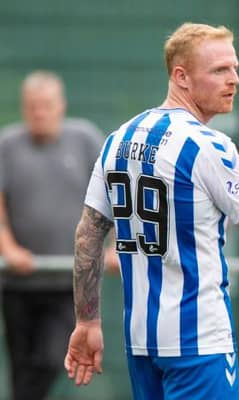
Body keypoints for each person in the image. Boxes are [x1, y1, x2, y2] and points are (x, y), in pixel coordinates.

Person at [63, 23, 239, 400]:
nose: (234, 80)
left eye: (235, 68)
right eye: (219, 71)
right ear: (181, 76)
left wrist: (86, 320)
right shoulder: (207, 145)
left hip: (141, 342)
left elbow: (88, 234)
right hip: (199, 342)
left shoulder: (120, 137)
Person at [0, 71, 112, 400]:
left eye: (46, 105)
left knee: (51, 359)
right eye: (33, 106)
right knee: (22, 366)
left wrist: (114, 246)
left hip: (69, 282)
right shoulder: (7, 145)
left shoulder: (85, 139)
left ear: (61, 106)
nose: (40, 113)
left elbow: (114, 194)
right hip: (19, 281)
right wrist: (10, 249)